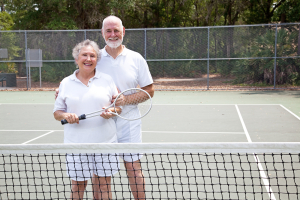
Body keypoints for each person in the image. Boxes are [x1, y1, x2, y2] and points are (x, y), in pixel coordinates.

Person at [55, 16, 154, 200]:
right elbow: (78, 77)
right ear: (102, 33)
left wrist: (124, 100)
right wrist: (60, 89)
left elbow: (149, 91)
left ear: (123, 31)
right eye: (108, 31)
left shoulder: (136, 58)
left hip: (128, 124)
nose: (113, 34)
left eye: (116, 30)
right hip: (98, 124)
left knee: (133, 168)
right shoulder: (95, 56)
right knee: (99, 176)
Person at [53, 39, 120, 200]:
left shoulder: (107, 80)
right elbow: (57, 112)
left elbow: (118, 107)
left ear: (97, 60)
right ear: (77, 59)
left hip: (106, 143)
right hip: (76, 144)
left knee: (104, 185)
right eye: (84, 55)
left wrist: (112, 111)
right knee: (77, 186)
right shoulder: (66, 83)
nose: (88, 59)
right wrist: (65, 116)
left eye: (93, 56)